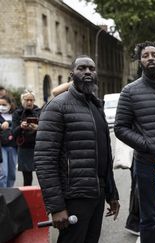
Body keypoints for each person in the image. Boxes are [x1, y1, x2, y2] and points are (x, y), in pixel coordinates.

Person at [34, 55, 119, 243]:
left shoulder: (96, 106)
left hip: (96, 194)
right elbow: (44, 159)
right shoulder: (57, 106)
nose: (88, 71)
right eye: (82, 68)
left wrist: (111, 194)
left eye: (91, 68)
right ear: (71, 74)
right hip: (73, 197)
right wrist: (56, 207)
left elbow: (104, 154)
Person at [114, 41, 155, 243]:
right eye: (145, 55)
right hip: (147, 164)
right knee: (150, 217)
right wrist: (147, 144)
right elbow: (121, 128)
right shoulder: (129, 92)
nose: (150, 58)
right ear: (140, 61)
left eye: (154, 54)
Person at [12, 90, 40, 186]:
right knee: (27, 179)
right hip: (24, 148)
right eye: (27, 100)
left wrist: (37, 127)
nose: (29, 102)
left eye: (31, 100)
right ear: (22, 100)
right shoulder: (17, 113)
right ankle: (28, 200)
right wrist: (21, 127)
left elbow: (47, 129)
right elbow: (13, 133)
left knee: (43, 176)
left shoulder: (38, 111)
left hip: (38, 148)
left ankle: (43, 199)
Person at [0, 95, 18, 187]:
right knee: (3, 174)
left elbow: (18, 125)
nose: (1, 107)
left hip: (13, 147)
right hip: (2, 147)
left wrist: (9, 123)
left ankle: (9, 195)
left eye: (4, 104)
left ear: (10, 105)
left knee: (12, 174)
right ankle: (2, 196)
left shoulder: (15, 115)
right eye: (0, 104)